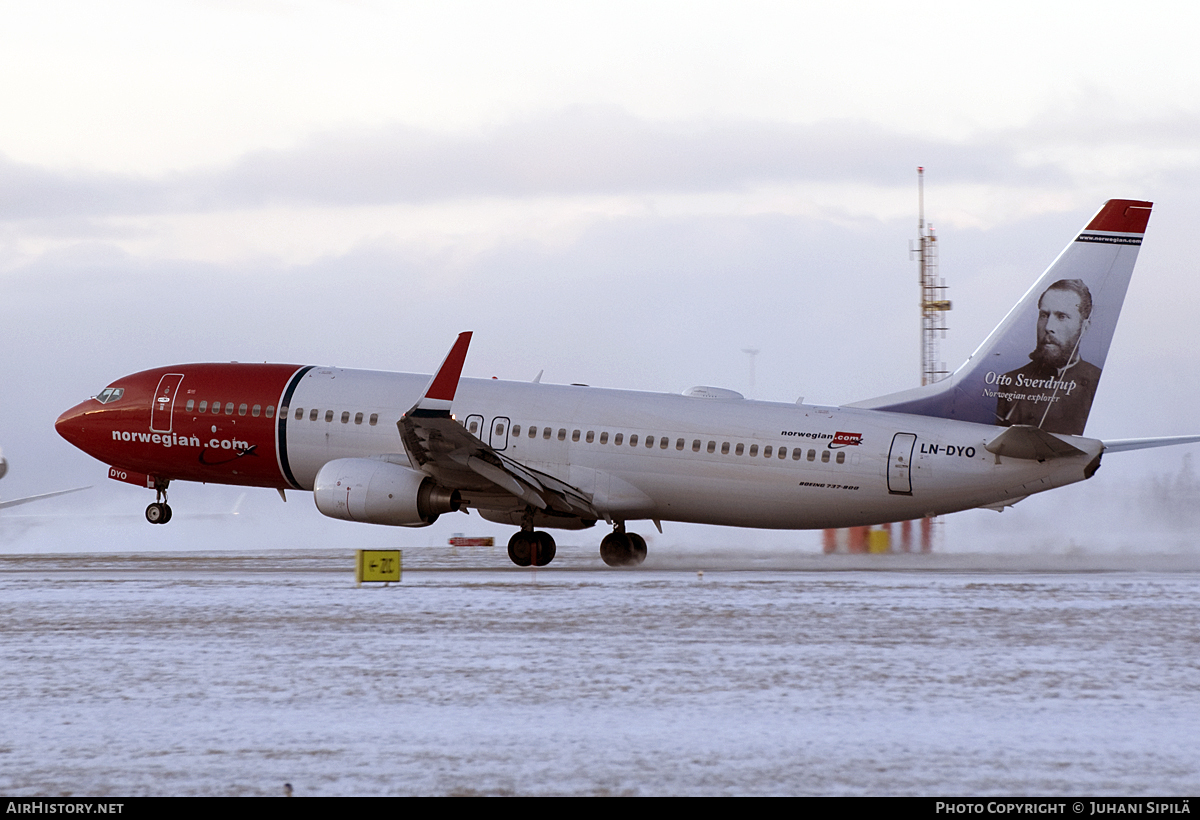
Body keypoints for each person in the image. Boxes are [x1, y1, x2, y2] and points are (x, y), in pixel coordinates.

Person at [995, 278, 1101, 436]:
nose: (1049, 327)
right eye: (1044, 315)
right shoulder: (1011, 382)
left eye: (1062, 317)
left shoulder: (1097, 384)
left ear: (1084, 327)